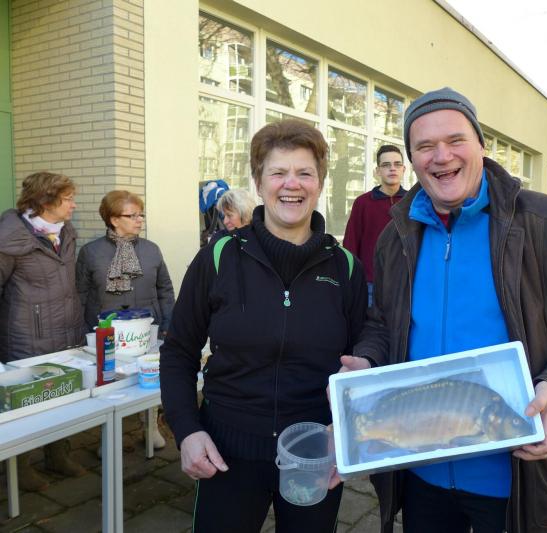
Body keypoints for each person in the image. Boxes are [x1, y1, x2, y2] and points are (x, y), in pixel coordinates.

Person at [338, 87, 547, 533]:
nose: (442, 156)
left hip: (518, 474)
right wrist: (368, 360)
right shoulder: (396, 236)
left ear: (481, 144)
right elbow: (383, 322)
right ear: (412, 159)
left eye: (455, 140)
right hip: (420, 471)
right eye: (425, 146)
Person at [160, 119, 367, 532]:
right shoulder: (219, 257)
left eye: (305, 172)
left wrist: (348, 433)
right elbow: (179, 350)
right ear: (258, 182)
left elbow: (363, 358)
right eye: (278, 172)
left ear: (319, 183)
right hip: (226, 452)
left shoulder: (345, 268)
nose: (292, 184)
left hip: (313, 453)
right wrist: (187, 430)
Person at [0, 171, 85, 490]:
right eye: (68, 199)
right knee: (26, 404)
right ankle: (18, 468)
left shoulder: (66, 231)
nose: (74, 205)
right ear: (45, 201)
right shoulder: (9, 239)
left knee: (63, 395)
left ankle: (57, 456)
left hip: (66, 330)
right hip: (27, 336)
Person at [76, 190, 175, 449]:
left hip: (147, 328)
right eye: (132, 215)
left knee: (149, 378)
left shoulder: (151, 250)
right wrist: (83, 331)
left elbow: (165, 289)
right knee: (110, 384)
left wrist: (168, 323)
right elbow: (80, 294)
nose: (139, 220)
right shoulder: (90, 252)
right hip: (107, 330)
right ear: (113, 219)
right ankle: (109, 437)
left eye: (141, 215)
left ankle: (150, 426)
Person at [343, 145, 407, 305]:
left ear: (404, 169)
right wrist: (351, 280)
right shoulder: (363, 203)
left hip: (406, 284)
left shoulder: (412, 203)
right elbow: (351, 243)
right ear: (377, 171)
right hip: (371, 284)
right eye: (386, 165)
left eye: (397, 164)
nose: (392, 168)